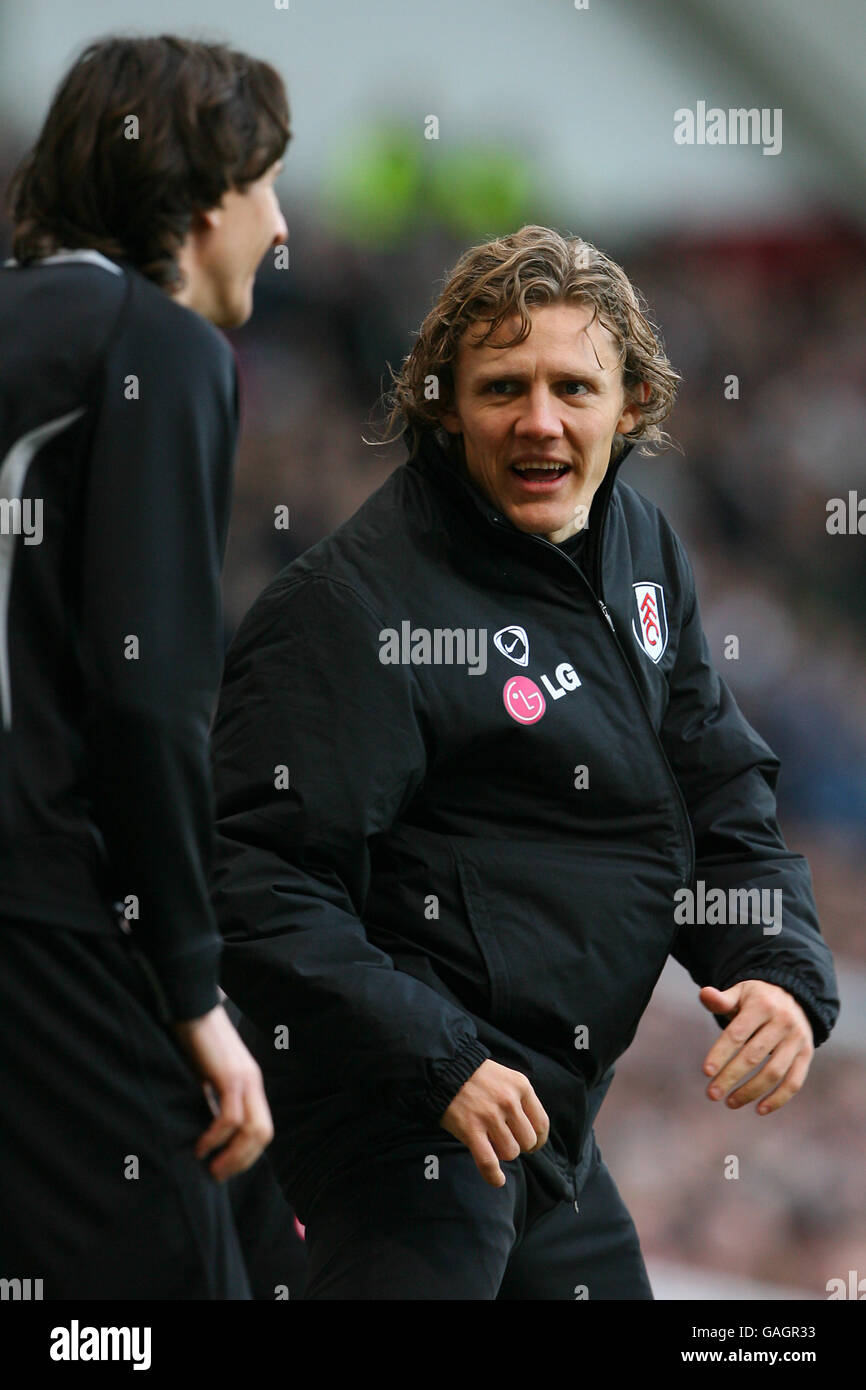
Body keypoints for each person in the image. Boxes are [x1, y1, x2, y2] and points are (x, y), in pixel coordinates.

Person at [209, 226, 840, 1300]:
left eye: (570, 386)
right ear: (441, 402)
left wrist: (777, 971)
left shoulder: (641, 549)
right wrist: (440, 1058)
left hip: (541, 1120)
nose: (538, 420)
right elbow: (258, 883)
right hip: (395, 1129)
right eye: (502, 386)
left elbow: (713, 789)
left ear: (630, 404)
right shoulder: (347, 608)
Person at [0, 34, 291, 1299]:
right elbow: (147, 692)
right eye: (268, 182)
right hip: (52, 920)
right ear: (200, 191)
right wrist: (194, 993)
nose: (281, 227)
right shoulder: (157, 345)